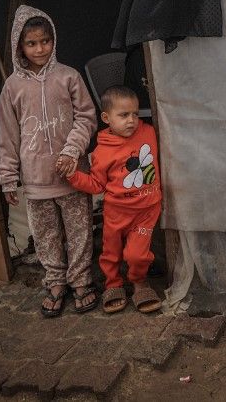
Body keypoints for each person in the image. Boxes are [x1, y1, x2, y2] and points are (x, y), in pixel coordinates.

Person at [0, 6, 98, 317]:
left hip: (72, 175)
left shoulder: (68, 76)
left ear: (54, 41)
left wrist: (72, 151)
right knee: (45, 234)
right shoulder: (12, 87)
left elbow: (87, 117)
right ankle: (55, 282)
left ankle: (81, 281)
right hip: (36, 178)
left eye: (45, 41)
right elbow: (8, 136)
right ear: (19, 46)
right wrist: (7, 177)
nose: (40, 49)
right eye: (32, 43)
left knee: (80, 230)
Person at [67, 85, 163, 313]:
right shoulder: (102, 152)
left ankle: (139, 282)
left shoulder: (148, 132)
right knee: (110, 253)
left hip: (145, 210)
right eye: (123, 115)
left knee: (137, 255)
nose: (131, 120)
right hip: (116, 212)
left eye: (135, 114)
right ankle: (113, 284)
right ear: (106, 118)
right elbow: (97, 185)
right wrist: (73, 176)